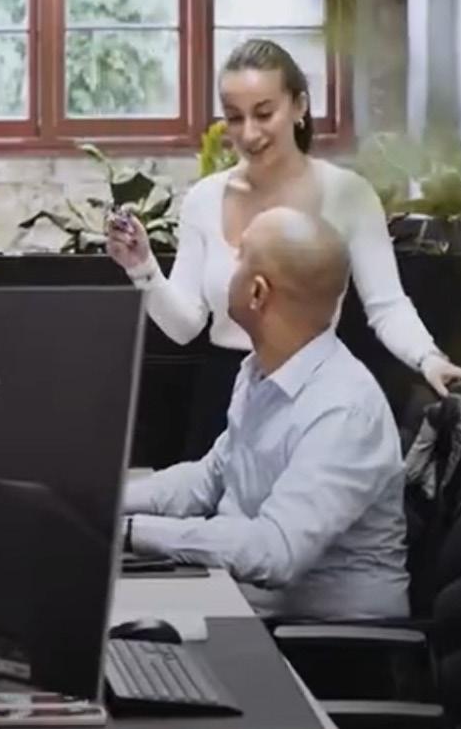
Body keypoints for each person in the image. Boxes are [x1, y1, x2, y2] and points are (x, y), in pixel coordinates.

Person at [107, 37, 461, 456]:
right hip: (225, 400)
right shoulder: (204, 199)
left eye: (264, 113)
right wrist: (142, 268)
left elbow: (387, 305)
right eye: (235, 117)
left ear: (299, 106)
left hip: (314, 395)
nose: (249, 133)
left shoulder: (349, 194)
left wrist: (429, 358)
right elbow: (184, 327)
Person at [123, 207, 409, 620]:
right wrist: (105, 500)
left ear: (257, 293)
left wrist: (132, 532)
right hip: (242, 604)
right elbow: (210, 478)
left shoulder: (342, 409)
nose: (227, 270)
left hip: (323, 642)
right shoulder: (261, 371)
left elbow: (275, 552)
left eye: (239, 257)